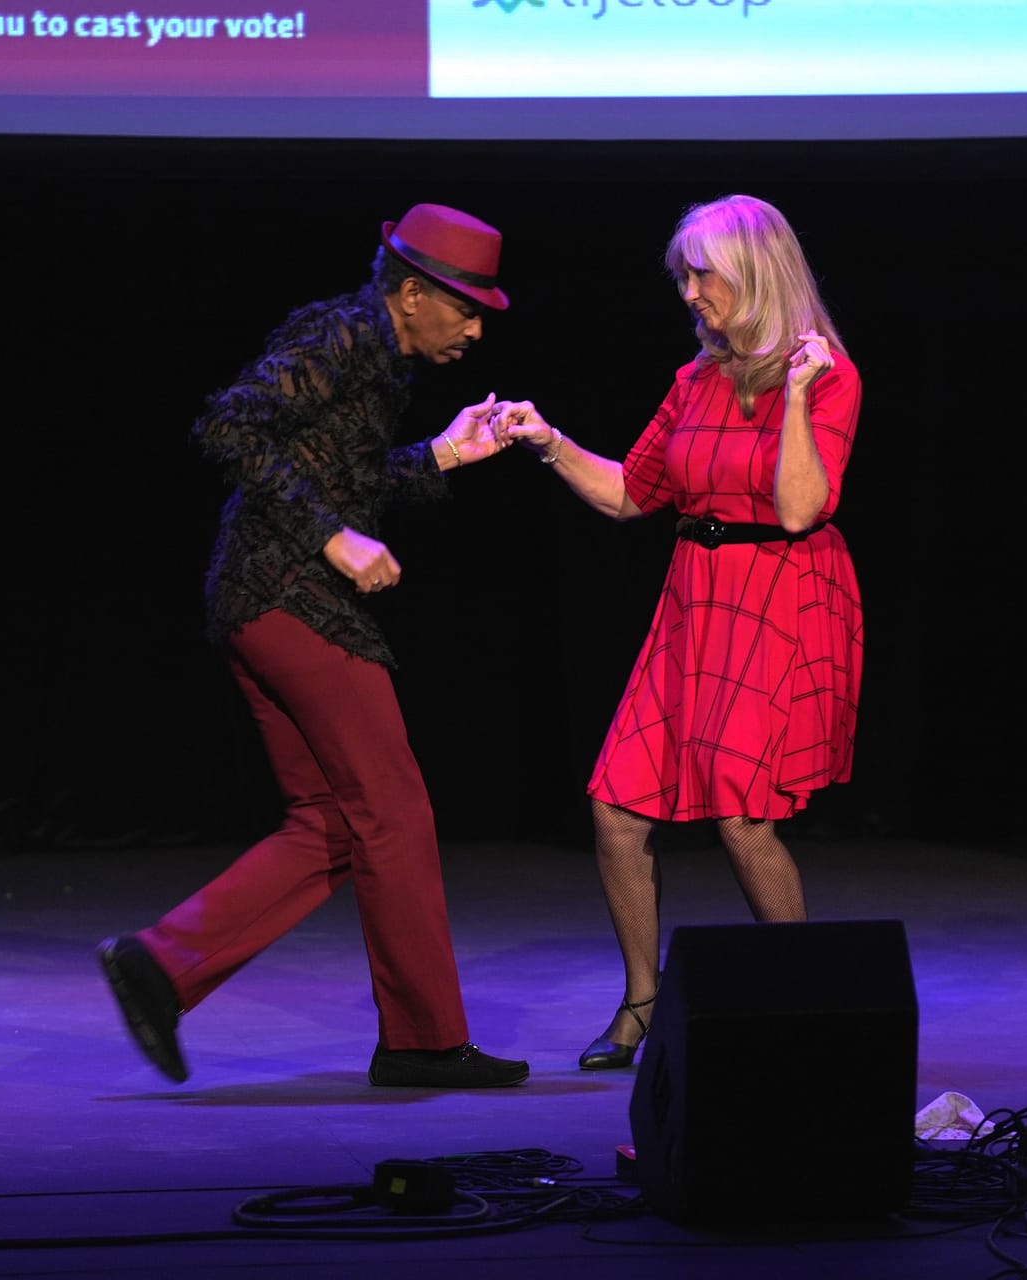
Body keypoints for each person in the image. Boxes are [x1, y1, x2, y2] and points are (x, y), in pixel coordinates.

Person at [98, 204, 530, 1089]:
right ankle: (424, 1041)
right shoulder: (342, 332)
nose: (477, 328)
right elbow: (230, 425)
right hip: (288, 594)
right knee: (393, 809)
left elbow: (349, 474)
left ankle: (162, 965)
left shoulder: (376, 354)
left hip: (261, 598)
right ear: (411, 294)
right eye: (467, 308)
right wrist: (333, 535)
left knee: (334, 823)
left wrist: (446, 455)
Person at [496, 194, 862, 1070]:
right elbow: (631, 492)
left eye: (703, 274)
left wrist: (801, 397)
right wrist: (546, 442)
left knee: (742, 816)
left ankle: (802, 998)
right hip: (695, 596)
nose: (689, 292)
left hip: (780, 595)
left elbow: (800, 507)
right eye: (682, 277)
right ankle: (643, 1001)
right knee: (617, 808)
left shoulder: (828, 377)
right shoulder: (692, 380)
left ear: (757, 273)